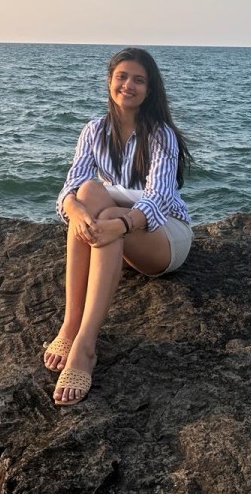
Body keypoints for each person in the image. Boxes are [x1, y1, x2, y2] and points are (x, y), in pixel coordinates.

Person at [45, 46, 194, 406]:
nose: (129, 85)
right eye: (122, 77)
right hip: (123, 232)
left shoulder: (161, 135)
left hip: (167, 236)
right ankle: (70, 324)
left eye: (139, 80)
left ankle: (85, 345)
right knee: (89, 192)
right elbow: (71, 186)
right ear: (110, 81)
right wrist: (77, 212)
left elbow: (158, 199)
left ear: (150, 89)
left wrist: (121, 225)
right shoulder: (94, 130)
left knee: (107, 214)